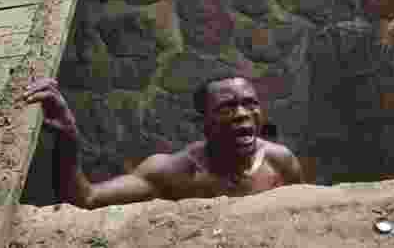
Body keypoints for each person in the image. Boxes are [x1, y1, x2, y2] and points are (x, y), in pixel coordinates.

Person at [24, 75, 303, 207]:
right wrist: (67, 135)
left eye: (250, 103)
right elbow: (86, 198)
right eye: (227, 107)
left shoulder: (280, 162)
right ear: (202, 123)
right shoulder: (173, 172)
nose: (243, 114)